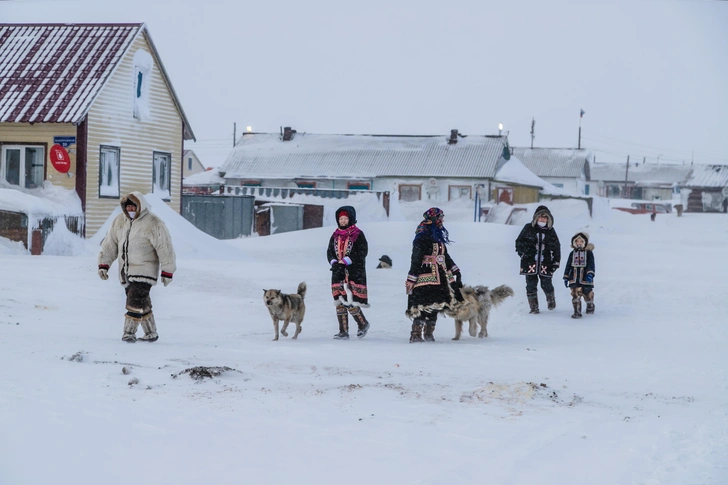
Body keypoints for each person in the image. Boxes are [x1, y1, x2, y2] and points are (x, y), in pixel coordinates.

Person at [98, 192, 176, 343]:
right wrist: (104, 264)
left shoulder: (153, 223)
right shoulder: (119, 221)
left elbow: (165, 248)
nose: (131, 209)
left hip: (145, 270)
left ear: (141, 206)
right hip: (126, 271)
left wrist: (167, 271)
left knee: (134, 301)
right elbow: (110, 244)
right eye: (128, 207)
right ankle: (151, 333)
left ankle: (128, 334)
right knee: (142, 302)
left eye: (134, 206)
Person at [405, 208, 463, 343]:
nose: (442, 220)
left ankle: (429, 333)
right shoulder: (422, 236)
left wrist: (455, 270)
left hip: (440, 276)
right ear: (433, 219)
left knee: (436, 304)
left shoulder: (438, 236)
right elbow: (416, 258)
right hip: (425, 275)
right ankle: (416, 334)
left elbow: (444, 255)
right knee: (422, 305)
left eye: (442, 217)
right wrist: (412, 276)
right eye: (440, 217)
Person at [327, 206, 370, 340]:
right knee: (339, 300)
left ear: (350, 219)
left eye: (345, 218)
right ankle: (343, 331)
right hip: (337, 272)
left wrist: (347, 260)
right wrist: (334, 262)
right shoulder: (335, 235)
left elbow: (362, 251)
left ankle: (362, 323)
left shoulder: (357, 234)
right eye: (341, 219)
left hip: (352, 272)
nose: (343, 221)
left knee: (349, 299)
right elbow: (329, 251)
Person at [515, 205, 561, 314]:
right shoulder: (528, 228)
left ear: (549, 219)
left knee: (546, 284)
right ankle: (534, 307)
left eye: (545, 217)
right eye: (541, 217)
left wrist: (556, 262)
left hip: (546, 263)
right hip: (529, 262)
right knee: (530, 285)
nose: (543, 219)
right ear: (536, 218)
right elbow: (519, 242)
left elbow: (556, 247)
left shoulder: (550, 231)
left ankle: (551, 299)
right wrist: (523, 254)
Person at [562, 232, 595, 318]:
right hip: (574, 278)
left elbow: (591, 264)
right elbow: (568, 265)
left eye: (581, 241)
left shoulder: (588, 253)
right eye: (577, 241)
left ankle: (590, 305)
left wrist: (590, 274)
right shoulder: (572, 253)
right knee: (575, 294)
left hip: (585, 277)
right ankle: (577, 312)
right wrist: (566, 276)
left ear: (585, 243)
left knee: (587, 294)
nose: (579, 243)